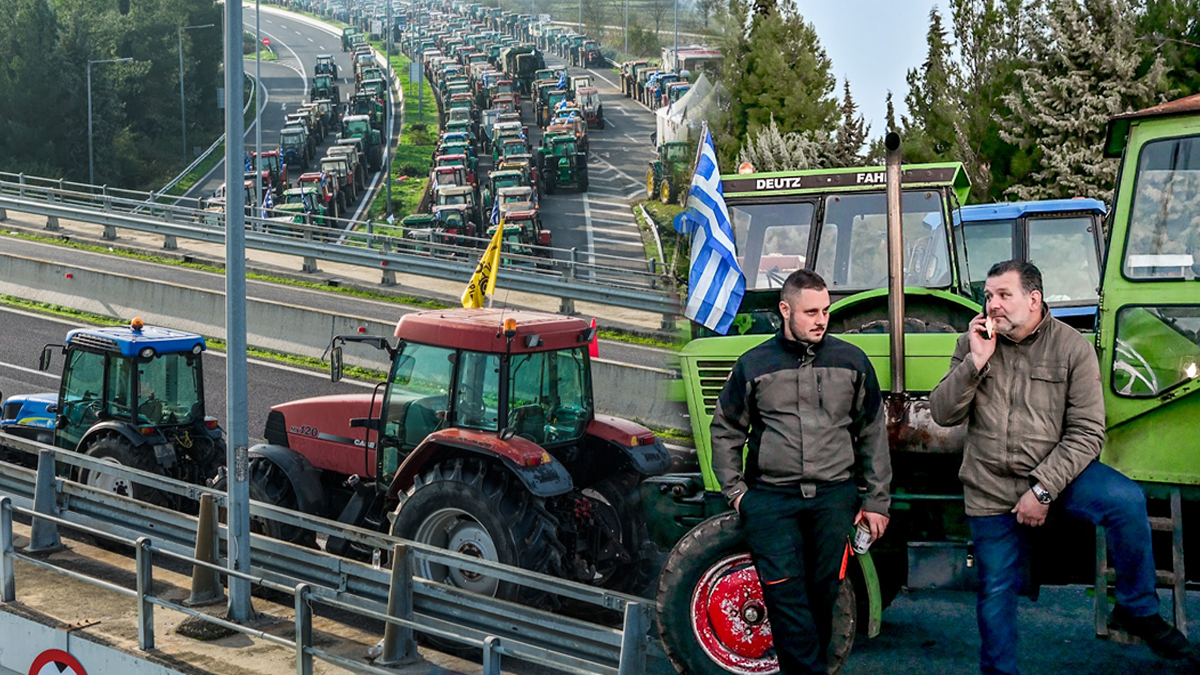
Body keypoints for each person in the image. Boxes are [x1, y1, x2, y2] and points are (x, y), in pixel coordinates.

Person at [929, 260, 1193, 675]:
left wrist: (1042, 489)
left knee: (1125, 500)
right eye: (988, 296)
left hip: (1059, 474)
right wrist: (975, 363)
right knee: (995, 592)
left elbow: (1088, 432)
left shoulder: (1072, 347)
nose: (992, 304)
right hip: (991, 485)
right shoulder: (973, 343)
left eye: (1003, 295)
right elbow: (942, 415)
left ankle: (1136, 609)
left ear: (1033, 299)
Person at [711, 269, 892, 675]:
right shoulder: (754, 365)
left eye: (825, 310)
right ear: (785, 310)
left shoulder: (851, 361)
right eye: (811, 312)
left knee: (823, 595)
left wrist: (877, 500)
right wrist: (738, 494)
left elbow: (872, 433)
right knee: (784, 597)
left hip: (833, 497)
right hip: (772, 500)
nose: (821, 319)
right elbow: (726, 429)